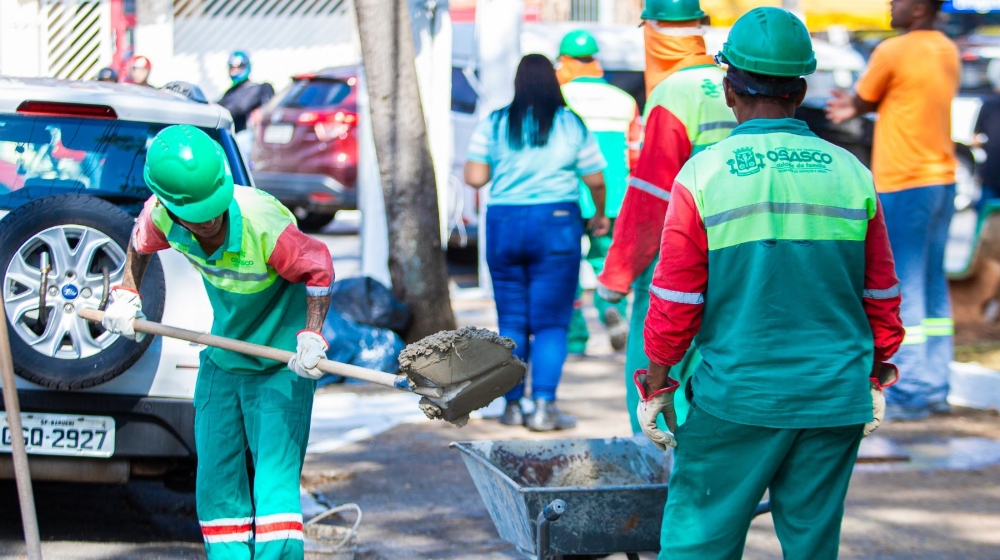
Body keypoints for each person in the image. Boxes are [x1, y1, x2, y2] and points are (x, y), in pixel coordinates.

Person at [638, 9, 905, 558]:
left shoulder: (704, 174)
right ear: (801, 89)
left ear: (729, 89)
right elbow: (880, 292)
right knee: (812, 546)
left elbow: (676, 299)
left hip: (738, 398)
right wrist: (876, 374)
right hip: (834, 395)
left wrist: (659, 384)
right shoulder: (851, 171)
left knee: (697, 545)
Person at [102, 125, 335, 559]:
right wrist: (126, 293)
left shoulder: (262, 224)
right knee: (216, 483)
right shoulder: (162, 215)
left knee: (274, 488)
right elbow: (138, 245)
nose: (210, 219)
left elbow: (319, 269)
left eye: (214, 206)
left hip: (282, 364)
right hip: (224, 358)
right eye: (198, 213)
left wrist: (312, 336)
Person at [596, 0, 736, 434]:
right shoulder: (733, 83)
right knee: (710, 373)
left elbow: (652, 196)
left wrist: (618, 273)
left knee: (653, 375)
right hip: (736, 253)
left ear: (651, 34)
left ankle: (661, 478)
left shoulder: (673, 92)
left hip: (676, 257)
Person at [463, 54, 610, 431]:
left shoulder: (496, 122)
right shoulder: (569, 123)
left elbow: (475, 177)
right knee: (550, 324)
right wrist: (598, 213)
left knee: (511, 319)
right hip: (557, 225)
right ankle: (544, 405)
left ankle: (512, 406)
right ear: (552, 83)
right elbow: (594, 179)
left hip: (506, 223)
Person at [827, 0, 958, 420]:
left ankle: (911, 390)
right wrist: (859, 107)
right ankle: (935, 384)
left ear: (918, 7)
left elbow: (863, 97)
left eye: (898, 0)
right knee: (933, 285)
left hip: (904, 181)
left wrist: (851, 106)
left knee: (906, 286)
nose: (889, 5)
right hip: (941, 180)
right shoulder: (945, 48)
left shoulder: (893, 51)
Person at [556, 29, 636, 354]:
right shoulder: (624, 101)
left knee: (567, 270)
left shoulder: (560, 98)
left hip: (569, 197)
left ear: (563, 62)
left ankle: (576, 338)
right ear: (596, 62)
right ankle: (612, 312)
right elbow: (634, 154)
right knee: (608, 263)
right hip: (614, 199)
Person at [218, 51, 275, 134]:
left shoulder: (256, 88)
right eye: (232, 68)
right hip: (232, 133)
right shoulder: (231, 91)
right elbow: (219, 105)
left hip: (248, 134)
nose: (235, 71)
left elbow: (239, 107)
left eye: (238, 68)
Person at [973, 59, 1000, 209]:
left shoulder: (988, 104)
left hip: (991, 172)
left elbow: (974, 138)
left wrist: (986, 143)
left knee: (986, 219)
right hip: (991, 174)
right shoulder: (988, 104)